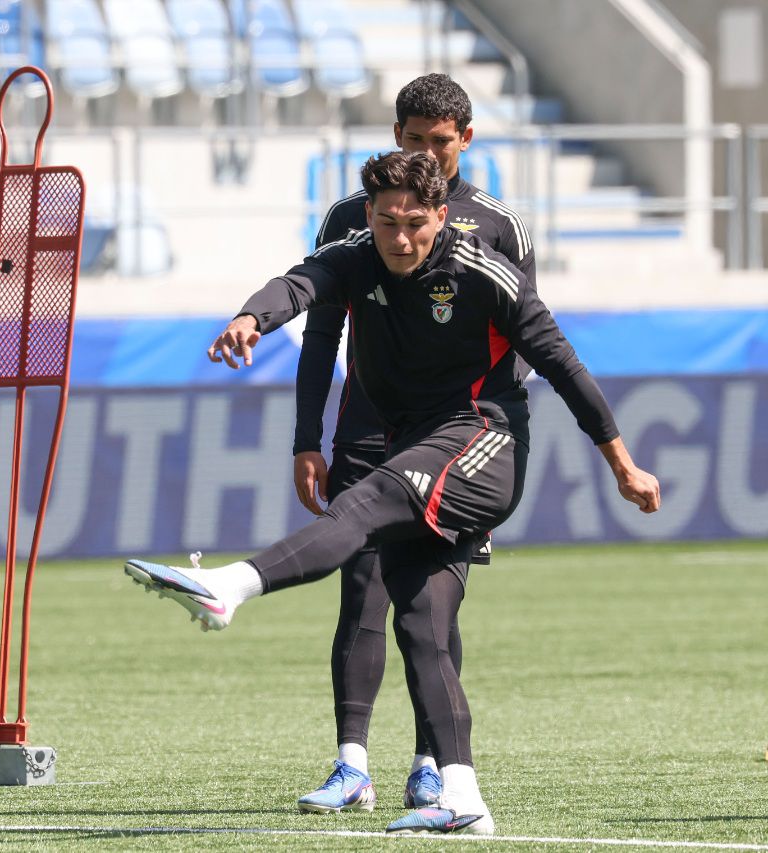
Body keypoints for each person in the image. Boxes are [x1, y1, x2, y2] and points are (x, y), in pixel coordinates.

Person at [123, 151, 659, 835]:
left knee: (371, 500)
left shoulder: (481, 269)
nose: (399, 239)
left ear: (441, 215)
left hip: (485, 442)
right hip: (416, 446)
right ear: (370, 216)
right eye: (385, 223)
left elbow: (562, 363)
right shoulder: (355, 255)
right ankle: (463, 798)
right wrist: (252, 318)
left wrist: (622, 463)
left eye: (414, 223)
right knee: (422, 624)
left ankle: (232, 586)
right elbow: (299, 284)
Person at [289, 74, 536, 814]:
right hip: (367, 427)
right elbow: (321, 332)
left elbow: (523, 342)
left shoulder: (498, 225)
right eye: (416, 138)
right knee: (358, 583)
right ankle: (350, 765)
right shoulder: (352, 216)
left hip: (456, 437)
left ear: (467, 138)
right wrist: (310, 437)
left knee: (431, 604)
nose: (430, 151)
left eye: (443, 140)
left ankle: (432, 766)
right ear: (397, 135)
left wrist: (483, 441)